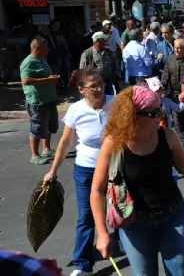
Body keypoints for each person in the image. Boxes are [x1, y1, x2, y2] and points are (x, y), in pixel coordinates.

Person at [90, 86, 184, 275]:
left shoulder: (167, 135)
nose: (161, 115)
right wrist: (102, 233)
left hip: (173, 215)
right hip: (134, 222)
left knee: (179, 272)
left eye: (161, 109)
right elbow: (97, 190)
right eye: (155, 112)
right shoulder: (114, 144)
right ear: (133, 117)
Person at [42, 70, 112, 276]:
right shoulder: (75, 110)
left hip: (113, 168)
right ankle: (82, 264)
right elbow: (65, 142)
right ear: (81, 90)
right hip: (86, 169)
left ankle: (128, 248)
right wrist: (52, 171)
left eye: (100, 83)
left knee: (121, 211)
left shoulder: (115, 103)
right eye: (93, 86)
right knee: (86, 217)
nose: (99, 89)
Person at [20, 36, 59, 165]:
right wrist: (48, 80)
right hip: (37, 101)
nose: (48, 50)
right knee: (36, 128)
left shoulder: (42, 59)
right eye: (45, 47)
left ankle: (46, 149)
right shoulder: (28, 62)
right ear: (37, 48)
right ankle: (34, 155)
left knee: (48, 125)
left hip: (49, 98)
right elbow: (25, 81)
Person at [161, 39, 184, 145]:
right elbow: (165, 75)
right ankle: (183, 139)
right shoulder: (170, 58)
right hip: (175, 94)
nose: (176, 50)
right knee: (178, 119)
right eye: (175, 48)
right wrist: (162, 89)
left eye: (179, 48)